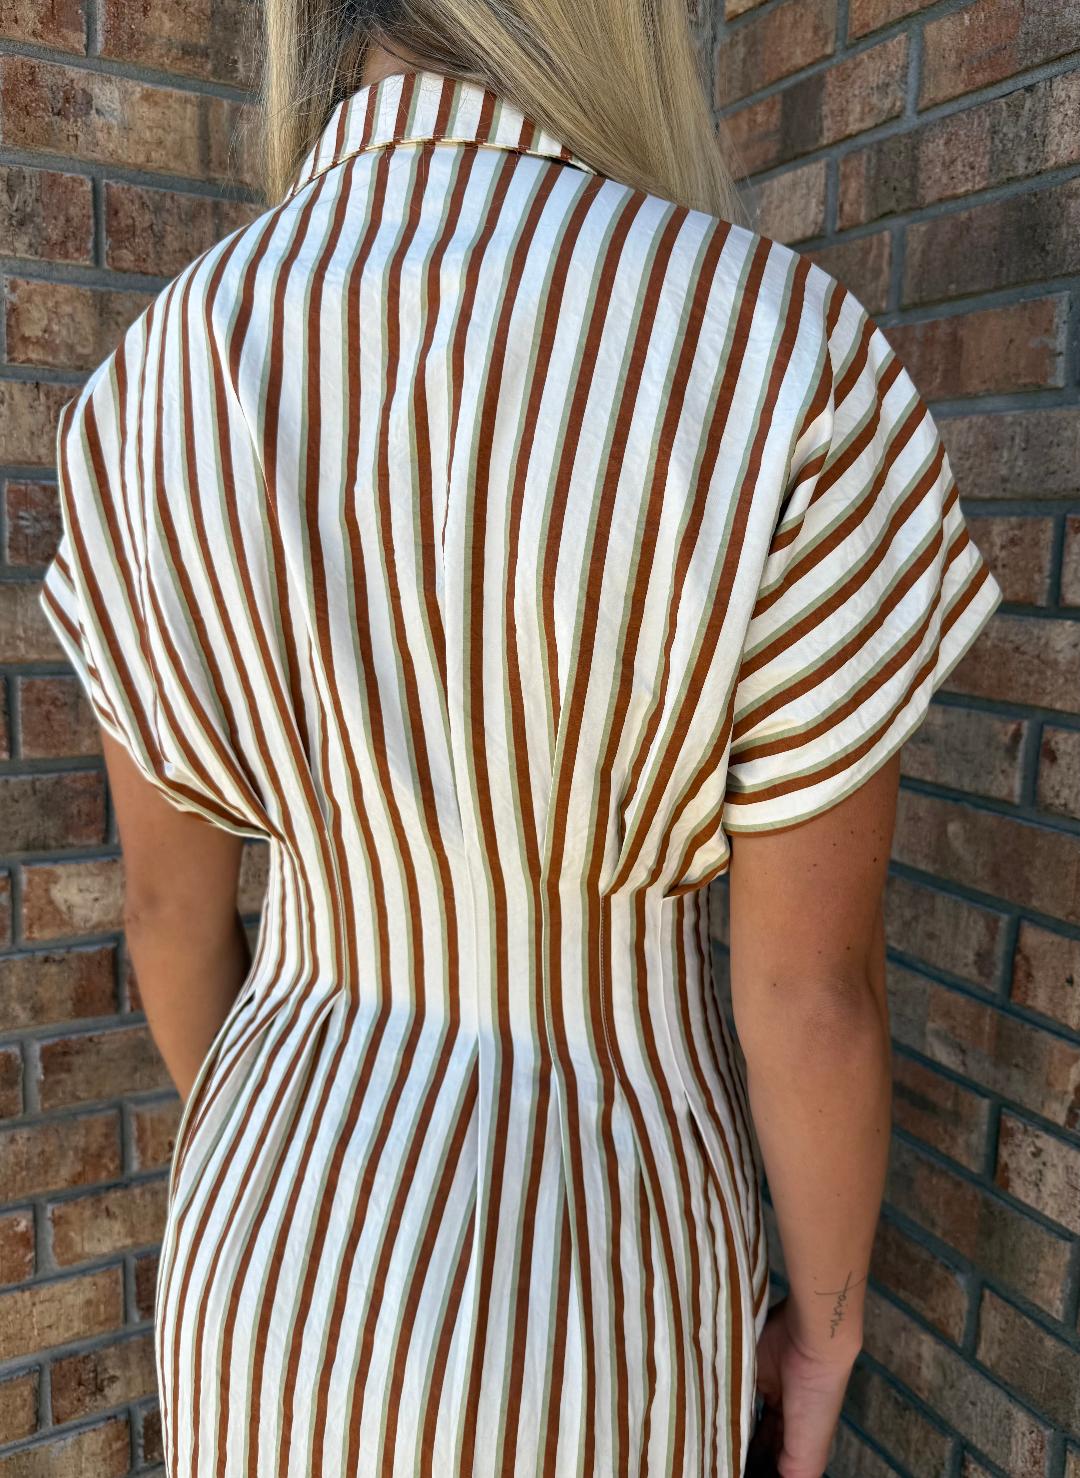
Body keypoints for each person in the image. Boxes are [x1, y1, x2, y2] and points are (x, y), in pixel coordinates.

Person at [36, 2, 1003, 1475]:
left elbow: (170, 923)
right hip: (606, 1291)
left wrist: (314, 1178)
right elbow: (811, 997)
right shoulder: (776, 351)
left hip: (264, 1270)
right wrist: (823, 1332)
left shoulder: (161, 373)